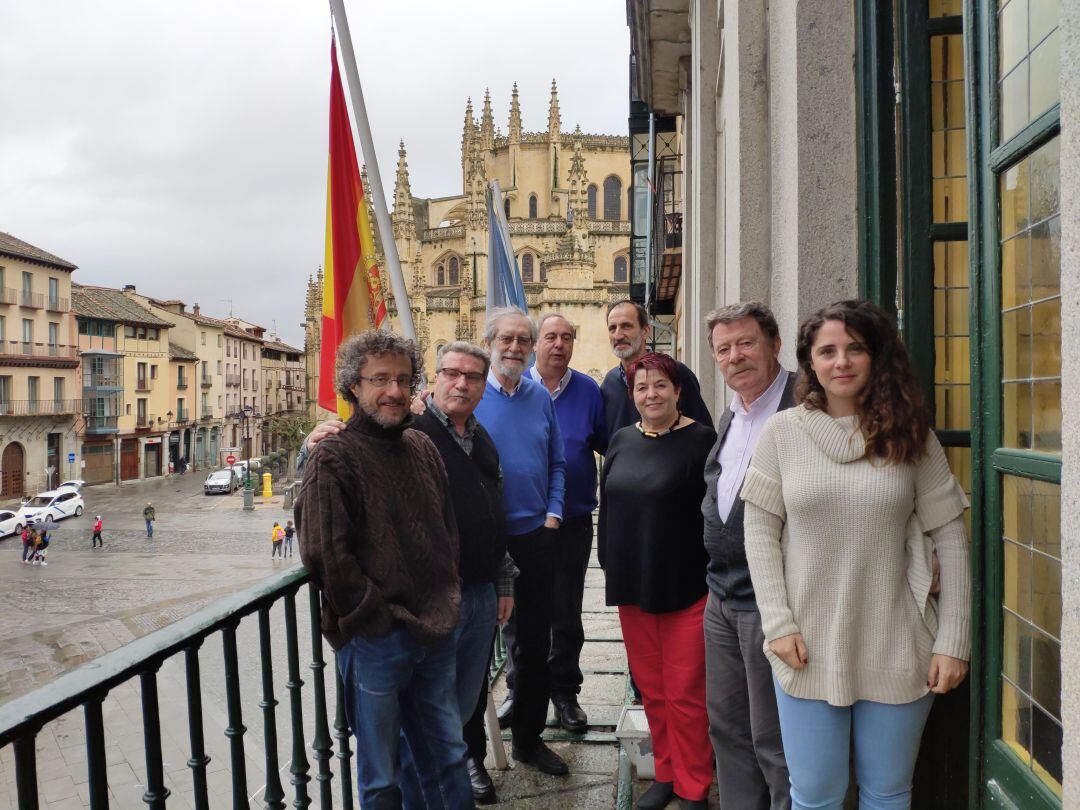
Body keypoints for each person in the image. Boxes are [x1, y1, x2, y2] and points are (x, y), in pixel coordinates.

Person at [742, 299, 971, 810]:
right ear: (811, 363)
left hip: (898, 644)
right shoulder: (783, 433)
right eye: (827, 351)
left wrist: (953, 640)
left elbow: (953, 538)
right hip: (806, 647)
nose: (841, 361)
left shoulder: (911, 436)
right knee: (816, 797)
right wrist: (777, 625)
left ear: (876, 357)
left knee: (887, 795)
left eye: (855, 349)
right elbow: (758, 532)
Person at [296, 329, 472, 809]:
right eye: (379, 379)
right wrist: (374, 620)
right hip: (378, 641)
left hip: (434, 633)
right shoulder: (332, 456)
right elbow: (323, 554)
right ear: (354, 385)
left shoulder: (421, 447)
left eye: (401, 379)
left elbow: (446, 530)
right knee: (382, 775)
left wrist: (446, 595)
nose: (393, 390)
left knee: (448, 758)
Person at [598, 352, 716, 810]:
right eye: (642, 387)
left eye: (660, 386)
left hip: (686, 586)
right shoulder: (622, 440)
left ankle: (693, 788)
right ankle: (664, 775)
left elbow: (716, 518)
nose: (651, 394)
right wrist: (610, 562)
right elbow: (607, 507)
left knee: (686, 695)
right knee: (654, 692)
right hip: (633, 586)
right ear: (633, 395)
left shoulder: (702, 441)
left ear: (678, 391)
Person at [700, 303, 793, 809]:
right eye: (723, 348)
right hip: (723, 598)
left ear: (774, 344)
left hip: (775, 603)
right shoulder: (732, 412)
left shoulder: (807, 405)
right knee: (729, 730)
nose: (735, 356)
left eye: (746, 343)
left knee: (775, 739)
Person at [501, 313, 606, 735]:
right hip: (520, 527)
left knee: (565, 613)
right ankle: (518, 691)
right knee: (514, 615)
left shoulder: (589, 391)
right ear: (534, 344)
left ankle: (564, 693)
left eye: (566, 337)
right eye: (550, 337)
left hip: (572, 521)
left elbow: (608, 446)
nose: (558, 344)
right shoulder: (511, 389)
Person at [475, 306, 568, 776]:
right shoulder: (469, 394)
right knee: (472, 647)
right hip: (483, 543)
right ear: (489, 342)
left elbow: (556, 461)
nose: (514, 348)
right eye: (506, 339)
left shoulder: (539, 396)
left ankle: (530, 740)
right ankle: (470, 758)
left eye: (522, 341)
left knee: (535, 644)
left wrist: (553, 513)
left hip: (534, 537)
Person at [601, 299, 711, 440]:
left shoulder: (676, 373)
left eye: (626, 326)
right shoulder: (610, 383)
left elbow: (703, 435)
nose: (618, 335)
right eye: (612, 328)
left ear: (645, 331)